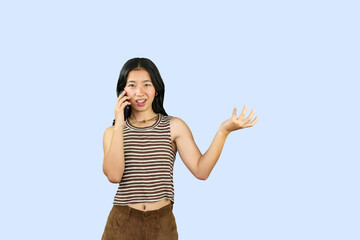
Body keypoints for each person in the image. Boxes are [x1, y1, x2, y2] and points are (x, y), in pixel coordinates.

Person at [101, 57, 258, 240]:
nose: (140, 92)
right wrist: (119, 123)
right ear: (123, 91)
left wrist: (223, 131)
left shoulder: (174, 126)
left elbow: (201, 170)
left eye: (147, 84)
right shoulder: (113, 132)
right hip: (122, 223)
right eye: (132, 85)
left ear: (157, 90)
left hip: (162, 223)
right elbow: (114, 176)